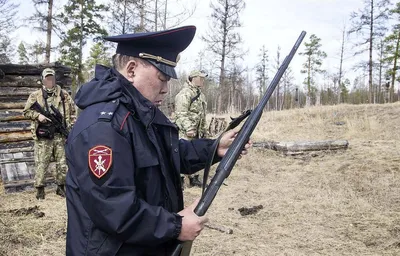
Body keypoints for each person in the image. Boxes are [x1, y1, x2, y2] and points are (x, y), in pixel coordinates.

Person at [65, 25, 251, 256]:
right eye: (161, 78)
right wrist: (175, 226)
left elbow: (168, 154)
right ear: (131, 70)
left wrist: (214, 147)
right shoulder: (105, 126)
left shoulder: (139, 113)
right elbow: (112, 207)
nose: (165, 89)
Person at [23, 68, 73, 200]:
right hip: (44, 135)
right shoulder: (36, 95)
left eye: (51, 78)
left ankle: (60, 187)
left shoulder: (64, 95)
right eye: (47, 78)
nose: (49, 80)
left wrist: (70, 128)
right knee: (41, 162)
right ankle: (40, 189)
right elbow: (26, 112)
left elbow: (72, 113)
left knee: (62, 163)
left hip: (60, 135)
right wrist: (38, 115)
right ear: (43, 79)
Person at [174, 70, 208, 188]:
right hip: (186, 131)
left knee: (196, 154)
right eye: (201, 78)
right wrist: (189, 127)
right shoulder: (185, 94)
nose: (203, 80)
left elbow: (202, 114)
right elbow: (180, 113)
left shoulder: (201, 95)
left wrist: (204, 130)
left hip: (197, 131)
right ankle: (180, 181)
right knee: (183, 154)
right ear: (193, 78)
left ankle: (194, 178)